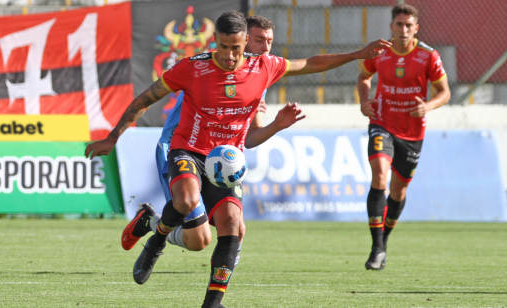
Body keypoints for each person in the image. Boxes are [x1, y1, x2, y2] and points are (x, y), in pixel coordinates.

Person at [86, 11, 390, 308]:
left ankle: (212, 303)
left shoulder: (264, 67)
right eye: (224, 47)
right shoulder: (192, 68)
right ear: (215, 40)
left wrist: (357, 54)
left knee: (226, 228)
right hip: (188, 150)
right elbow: (146, 99)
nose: (230, 56)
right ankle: (156, 242)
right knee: (187, 199)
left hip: (226, 162)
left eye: (236, 48)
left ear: (244, 42)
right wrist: (113, 136)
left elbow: (309, 63)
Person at [120, 17, 277, 267]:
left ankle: (221, 279)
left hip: (219, 157)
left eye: (269, 41)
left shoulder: (259, 74)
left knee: (235, 227)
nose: (265, 47)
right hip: (183, 150)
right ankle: (151, 223)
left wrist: (277, 124)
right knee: (198, 238)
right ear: (243, 39)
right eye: (259, 40)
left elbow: (249, 138)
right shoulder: (206, 69)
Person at [357, 4, 451, 270]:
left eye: (409, 25)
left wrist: (428, 105)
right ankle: (376, 247)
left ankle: (383, 242)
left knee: (398, 190)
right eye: (399, 25)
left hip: (411, 132)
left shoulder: (428, 56)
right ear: (391, 27)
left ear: (416, 28)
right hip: (382, 123)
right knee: (379, 175)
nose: (404, 30)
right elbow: (364, 77)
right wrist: (365, 101)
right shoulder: (380, 51)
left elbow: (444, 92)